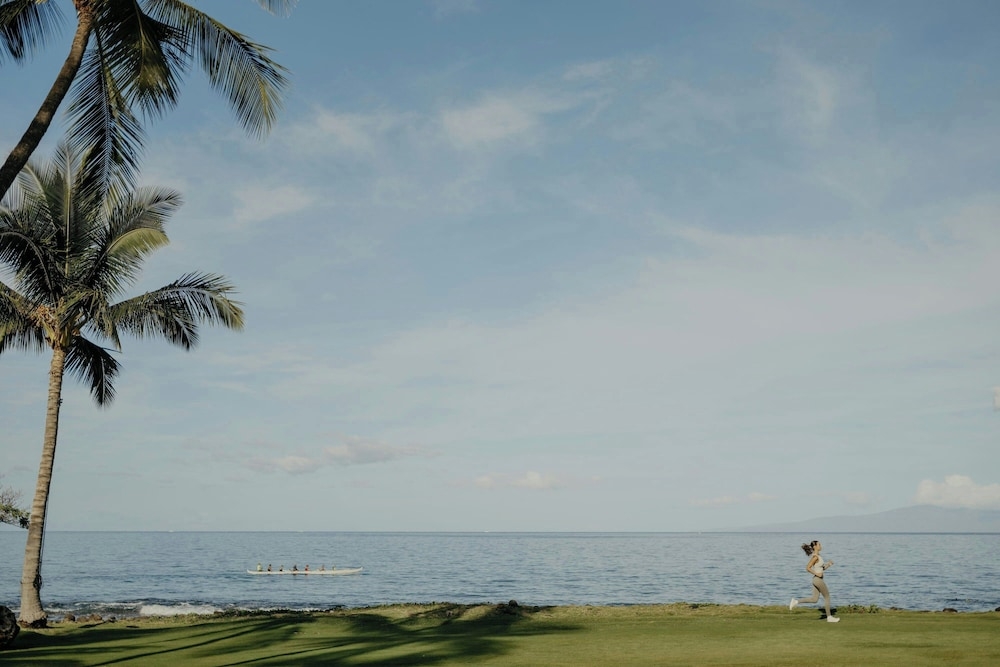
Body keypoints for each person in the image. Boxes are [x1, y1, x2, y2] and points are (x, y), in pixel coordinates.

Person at [790, 540, 839, 622]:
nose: (821, 546)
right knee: (827, 597)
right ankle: (829, 617)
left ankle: (796, 602)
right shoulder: (815, 557)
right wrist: (816, 573)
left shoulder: (818, 556)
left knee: (814, 599)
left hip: (816, 579)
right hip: (817, 579)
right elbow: (808, 568)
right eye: (819, 544)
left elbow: (821, 569)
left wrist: (829, 564)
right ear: (815, 547)